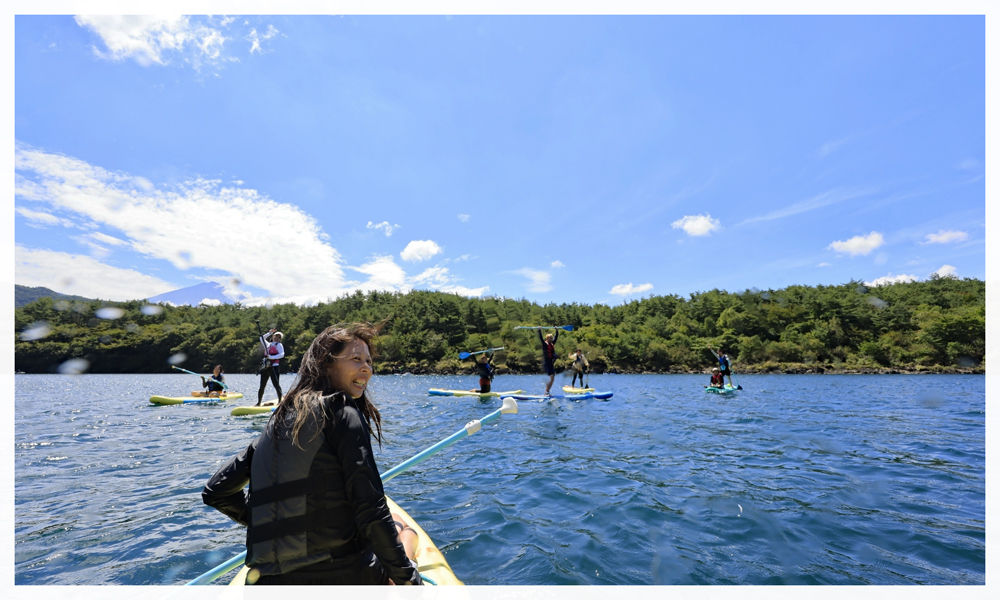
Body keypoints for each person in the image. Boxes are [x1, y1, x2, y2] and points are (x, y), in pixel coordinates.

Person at [202, 323, 423, 586]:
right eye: (356, 359)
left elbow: (216, 491)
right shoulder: (343, 413)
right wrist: (410, 583)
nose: (367, 368)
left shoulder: (277, 420)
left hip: (267, 584)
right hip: (343, 577)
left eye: (369, 361)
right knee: (405, 531)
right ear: (326, 364)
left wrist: (273, 524)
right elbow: (371, 510)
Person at [257, 329, 284, 406]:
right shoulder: (268, 345)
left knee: (276, 385)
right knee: (262, 385)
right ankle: (259, 402)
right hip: (265, 368)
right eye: (276, 336)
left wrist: (272, 357)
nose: (277, 338)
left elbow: (282, 354)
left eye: (279, 337)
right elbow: (261, 338)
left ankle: (280, 401)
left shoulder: (279, 345)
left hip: (274, 367)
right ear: (273, 336)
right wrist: (269, 333)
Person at [538, 329, 559, 395]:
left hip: (550, 363)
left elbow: (556, 338)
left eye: (551, 338)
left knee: (552, 378)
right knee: (551, 378)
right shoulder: (545, 344)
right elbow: (541, 338)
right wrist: (539, 330)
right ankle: (546, 392)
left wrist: (557, 330)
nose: (551, 339)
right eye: (550, 338)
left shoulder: (552, 344)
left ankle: (546, 392)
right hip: (546, 363)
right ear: (547, 339)